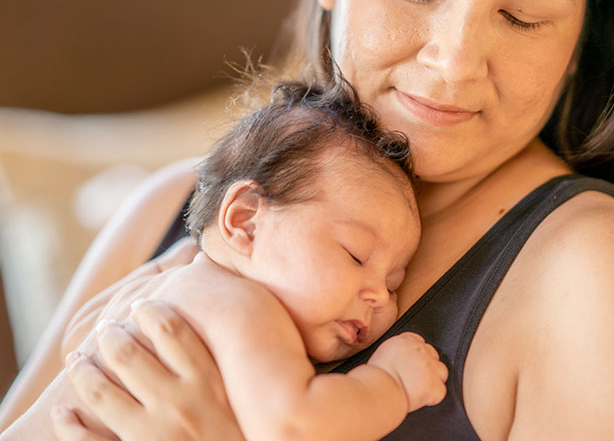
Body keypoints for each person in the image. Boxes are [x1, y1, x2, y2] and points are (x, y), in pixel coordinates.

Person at [1, 0, 614, 439]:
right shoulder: (168, 209)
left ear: (583, 37)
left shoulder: (606, 282)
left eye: (521, 18)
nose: (453, 62)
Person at [0, 81, 448, 441]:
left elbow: (76, 341)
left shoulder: (160, 286)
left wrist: (157, 271)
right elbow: (294, 426)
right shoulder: (244, 306)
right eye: (355, 255)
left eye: (393, 282)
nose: (378, 296)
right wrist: (392, 382)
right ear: (246, 221)